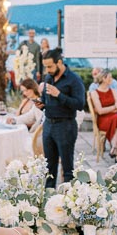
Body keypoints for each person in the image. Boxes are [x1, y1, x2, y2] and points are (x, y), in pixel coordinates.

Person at [40, 48, 85, 186]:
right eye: (45, 66)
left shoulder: (74, 80)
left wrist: (59, 95)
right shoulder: (48, 78)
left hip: (65, 126)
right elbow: (45, 100)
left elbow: (80, 104)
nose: (47, 70)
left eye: (50, 66)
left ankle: (68, 201)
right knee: (49, 169)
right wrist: (40, 104)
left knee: (67, 169)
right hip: (48, 125)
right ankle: (48, 201)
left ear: (59, 62)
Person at [91, 70, 117, 157]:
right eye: (110, 77)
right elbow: (100, 111)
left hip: (114, 118)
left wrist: (109, 109)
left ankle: (114, 148)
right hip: (102, 120)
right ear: (103, 78)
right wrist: (114, 107)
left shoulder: (113, 91)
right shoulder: (94, 93)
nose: (112, 79)